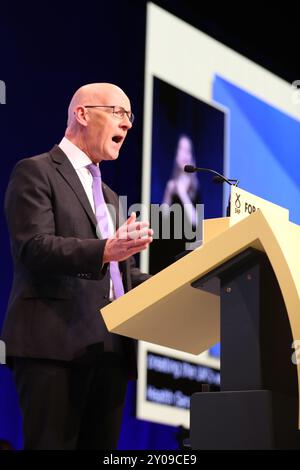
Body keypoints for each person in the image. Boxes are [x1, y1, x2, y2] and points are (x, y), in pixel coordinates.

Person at [1, 83, 153, 450]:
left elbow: (122, 277)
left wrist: (184, 281)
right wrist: (105, 249)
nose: (128, 125)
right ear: (83, 114)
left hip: (111, 354)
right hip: (54, 347)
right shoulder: (36, 171)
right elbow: (34, 248)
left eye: (130, 116)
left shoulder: (111, 196)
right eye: (119, 112)